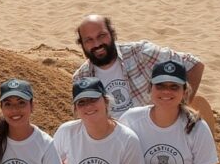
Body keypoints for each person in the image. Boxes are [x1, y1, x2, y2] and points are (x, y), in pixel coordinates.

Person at [72, 14, 204, 118]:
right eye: (88, 40)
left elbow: (194, 65)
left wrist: (180, 112)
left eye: (102, 36)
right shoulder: (81, 78)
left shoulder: (140, 53)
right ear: (82, 45)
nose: (97, 44)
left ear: (112, 35)